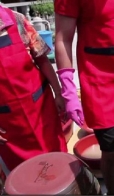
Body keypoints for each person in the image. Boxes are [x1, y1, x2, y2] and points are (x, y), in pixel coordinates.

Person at [54, 0, 114, 194]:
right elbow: (63, 39)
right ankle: (112, 190)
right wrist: (68, 89)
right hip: (98, 77)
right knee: (111, 143)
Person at [0, 5, 67, 171]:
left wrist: (59, 93)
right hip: (9, 124)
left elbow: (42, 59)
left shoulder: (17, 20)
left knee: (57, 161)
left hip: (41, 108)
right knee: (27, 174)